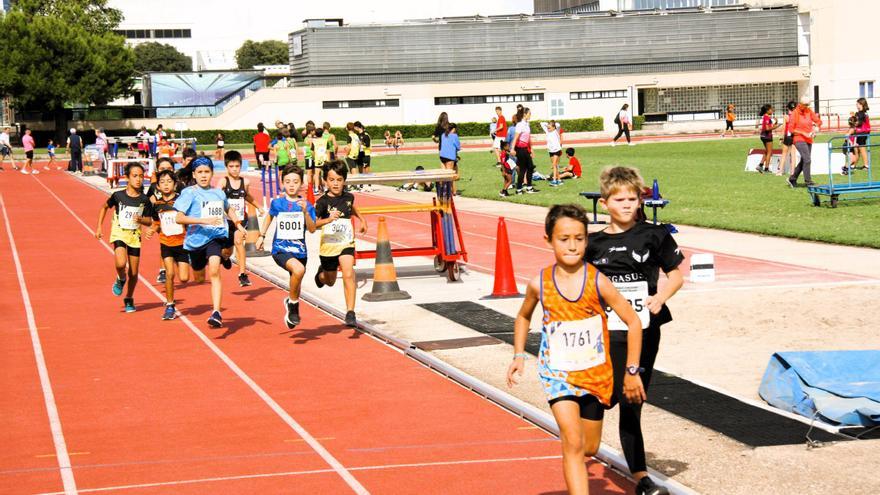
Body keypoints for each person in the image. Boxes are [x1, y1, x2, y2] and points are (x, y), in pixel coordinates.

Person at [507, 203, 645, 495]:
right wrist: (519, 354)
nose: (572, 246)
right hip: (557, 373)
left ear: (587, 239)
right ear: (549, 240)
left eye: (579, 238)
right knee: (572, 441)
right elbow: (523, 316)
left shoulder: (598, 281)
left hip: (595, 374)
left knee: (589, 446)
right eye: (564, 239)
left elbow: (633, 321)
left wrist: (632, 370)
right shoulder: (539, 283)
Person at [587, 166, 684, 495]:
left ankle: (641, 477)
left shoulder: (655, 235)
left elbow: (676, 276)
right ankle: (585, 437)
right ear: (605, 202)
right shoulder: (593, 243)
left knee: (633, 399)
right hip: (604, 332)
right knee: (604, 396)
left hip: (644, 329)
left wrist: (661, 297)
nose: (628, 204)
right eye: (620, 199)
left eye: (633, 198)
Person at [173, 156, 246, 328]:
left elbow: (229, 208)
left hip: (215, 238)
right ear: (194, 174)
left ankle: (216, 312)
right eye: (200, 172)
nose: (204, 175)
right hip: (195, 241)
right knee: (198, 278)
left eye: (207, 172)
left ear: (212, 173)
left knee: (214, 270)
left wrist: (238, 225)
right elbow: (179, 218)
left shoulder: (218, 193)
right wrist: (203, 221)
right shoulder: (189, 193)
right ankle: (205, 261)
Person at [257, 164, 317, 329]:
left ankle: (291, 308)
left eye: (295, 181)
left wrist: (305, 212)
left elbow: (312, 229)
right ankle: (293, 305)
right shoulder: (277, 204)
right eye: (288, 181)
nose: (291, 185)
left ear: (301, 184)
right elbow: (269, 217)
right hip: (280, 250)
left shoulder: (307, 205)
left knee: (296, 282)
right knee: (298, 270)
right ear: (282, 183)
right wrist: (262, 236)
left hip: (300, 251)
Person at [95, 162, 155, 313]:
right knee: (121, 263)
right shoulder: (118, 196)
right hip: (119, 233)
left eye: (141, 176)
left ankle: (129, 298)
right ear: (127, 177)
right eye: (135, 176)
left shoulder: (144, 200)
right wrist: (99, 227)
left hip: (135, 236)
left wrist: (141, 220)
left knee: (134, 273)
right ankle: (121, 278)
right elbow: (104, 207)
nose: (138, 179)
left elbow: (149, 221)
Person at [314, 160, 367, 328]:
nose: (335, 183)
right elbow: (313, 224)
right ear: (325, 181)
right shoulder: (322, 202)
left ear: (344, 180)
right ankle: (321, 275)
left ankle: (350, 312)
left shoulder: (349, 196)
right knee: (329, 281)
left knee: (348, 273)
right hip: (328, 247)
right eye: (331, 180)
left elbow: (352, 207)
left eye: (339, 180)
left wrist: (362, 219)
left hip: (346, 243)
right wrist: (328, 219)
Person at [148, 169, 190, 320]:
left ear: (175, 184)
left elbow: (189, 219)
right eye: (162, 182)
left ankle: (187, 261)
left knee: (184, 278)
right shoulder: (157, 205)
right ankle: (170, 305)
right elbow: (157, 223)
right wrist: (152, 230)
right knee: (170, 275)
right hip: (166, 244)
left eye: (169, 181)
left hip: (182, 244)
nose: (166, 185)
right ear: (158, 186)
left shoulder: (182, 201)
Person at [220, 150, 262, 287]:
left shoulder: (246, 182)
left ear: (241, 166)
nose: (234, 169)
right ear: (226, 167)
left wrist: (258, 207)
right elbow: (215, 196)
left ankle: (242, 274)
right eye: (231, 166)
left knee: (239, 242)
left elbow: (247, 196)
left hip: (241, 221)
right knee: (227, 251)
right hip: (225, 222)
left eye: (237, 166)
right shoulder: (223, 182)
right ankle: (225, 257)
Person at [147, 157, 180, 284]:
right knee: (164, 241)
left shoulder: (179, 185)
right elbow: (148, 197)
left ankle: (176, 260)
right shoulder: (154, 186)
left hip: (177, 219)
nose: (165, 171)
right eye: (162, 169)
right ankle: (163, 270)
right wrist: (155, 204)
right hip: (161, 218)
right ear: (157, 170)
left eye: (168, 169)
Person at [788, 96, 822, 188]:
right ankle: (808, 181)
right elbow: (791, 129)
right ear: (801, 104)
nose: (807, 106)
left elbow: (818, 121)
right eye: (805, 105)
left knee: (804, 160)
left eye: (808, 105)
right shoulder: (795, 113)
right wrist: (803, 133)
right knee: (807, 159)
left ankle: (792, 178)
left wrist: (816, 129)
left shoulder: (809, 111)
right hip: (798, 139)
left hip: (808, 139)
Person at [511, 107, 538, 194]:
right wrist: (512, 149)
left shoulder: (527, 124)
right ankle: (519, 189)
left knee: (530, 167)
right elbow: (515, 138)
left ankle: (529, 187)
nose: (530, 115)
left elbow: (529, 139)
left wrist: (532, 150)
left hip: (526, 149)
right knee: (523, 169)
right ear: (524, 114)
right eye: (529, 114)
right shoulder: (520, 125)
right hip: (520, 149)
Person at [755, 104, 779, 174]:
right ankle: (766, 169)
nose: (772, 110)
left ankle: (760, 165)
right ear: (767, 110)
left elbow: (769, 126)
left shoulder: (766, 117)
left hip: (763, 136)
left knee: (766, 151)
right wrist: (776, 127)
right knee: (769, 152)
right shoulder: (767, 118)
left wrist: (776, 122)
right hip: (767, 136)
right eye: (771, 109)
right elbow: (768, 128)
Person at [440, 122, 461, 195]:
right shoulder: (454, 136)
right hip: (450, 157)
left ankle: (442, 190)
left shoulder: (443, 135)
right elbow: (458, 147)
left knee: (444, 175)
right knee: (451, 175)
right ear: (453, 129)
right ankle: (454, 191)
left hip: (442, 157)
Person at [777, 101, 797, 177]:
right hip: (794, 136)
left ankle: (780, 171)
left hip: (787, 137)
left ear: (788, 108)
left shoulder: (786, 116)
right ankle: (792, 172)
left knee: (784, 154)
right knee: (793, 155)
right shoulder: (797, 116)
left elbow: (783, 128)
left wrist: (781, 139)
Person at [542, 120, 564, 186]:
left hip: (556, 150)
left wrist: (552, 124)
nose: (548, 129)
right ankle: (559, 180)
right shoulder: (547, 131)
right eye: (548, 128)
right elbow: (542, 123)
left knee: (554, 165)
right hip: (550, 150)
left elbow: (558, 124)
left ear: (554, 127)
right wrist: (548, 124)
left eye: (550, 127)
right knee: (555, 165)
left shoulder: (556, 131)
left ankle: (554, 180)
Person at [852, 97, 871, 170]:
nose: (856, 105)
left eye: (857, 104)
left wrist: (853, 123)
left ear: (861, 104)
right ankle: (853, 165)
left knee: (862, 149)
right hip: (862, 132)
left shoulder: (861, 113)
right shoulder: (862, 113)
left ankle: (866, 165)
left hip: (862, 133)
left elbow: (859, 123)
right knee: (856, 149)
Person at [356, 121, 373, 192]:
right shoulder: (357, 135)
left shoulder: (366, 135)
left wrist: (361, 143)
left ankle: (369, 185)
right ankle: (361, 185)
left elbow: (368, 145)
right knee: (360, 169)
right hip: (359, 154)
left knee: (366, 169)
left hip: (366, 154)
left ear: (357, 127)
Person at [312, 128, 329, 193]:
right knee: (325, 174)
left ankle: (316, 189)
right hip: (324, 159)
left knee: (317, 174)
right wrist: (328, 160)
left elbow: (313, 152)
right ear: (322, 133)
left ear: (315, 134)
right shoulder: (325, 140)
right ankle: (326, 188)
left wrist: (314, 158)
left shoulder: (314, 141)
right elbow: (327, 151)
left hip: (317, 160)